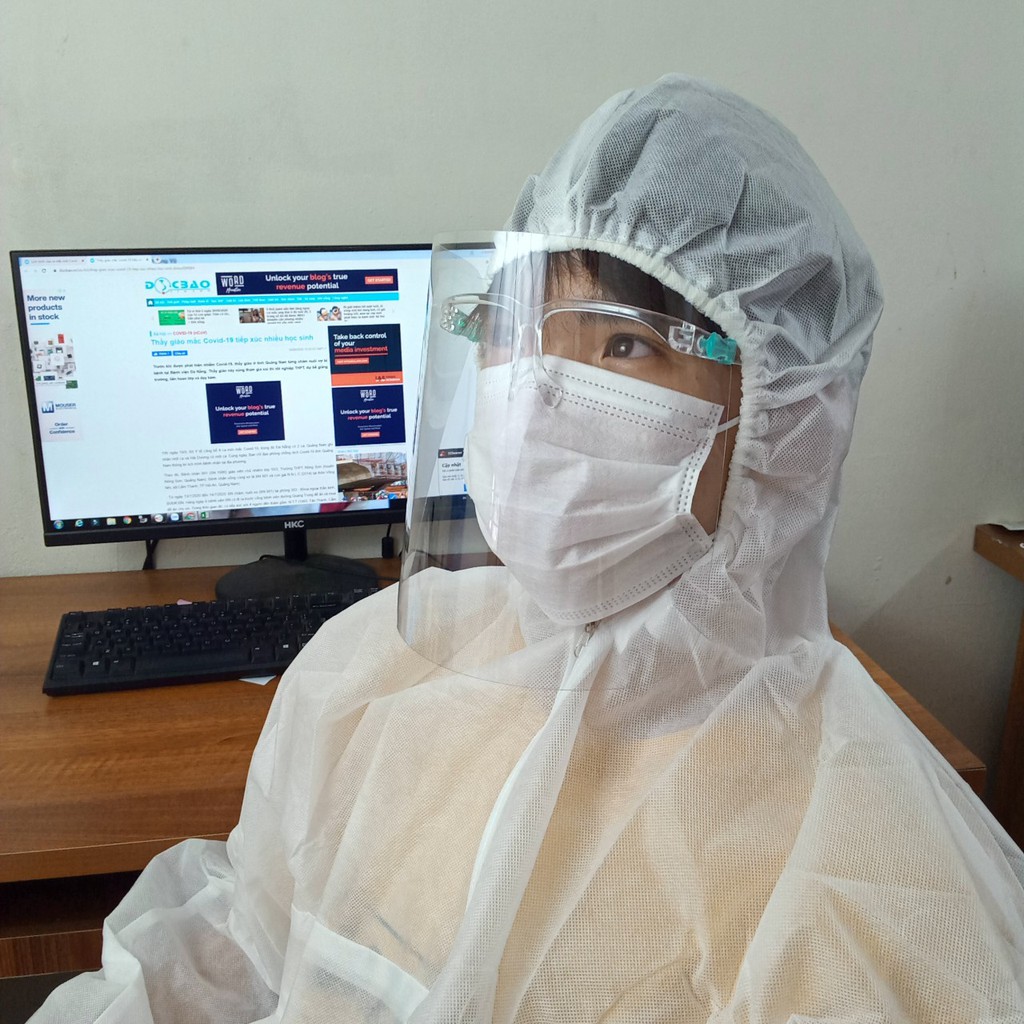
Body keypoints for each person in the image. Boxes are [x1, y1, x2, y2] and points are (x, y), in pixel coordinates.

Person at [31, 75, 1023, 1023]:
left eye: (624, 343)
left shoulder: (866, 873)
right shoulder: (366, 677)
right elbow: (240, 952)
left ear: (787, 415)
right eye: (517, 328)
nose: (538, 389)